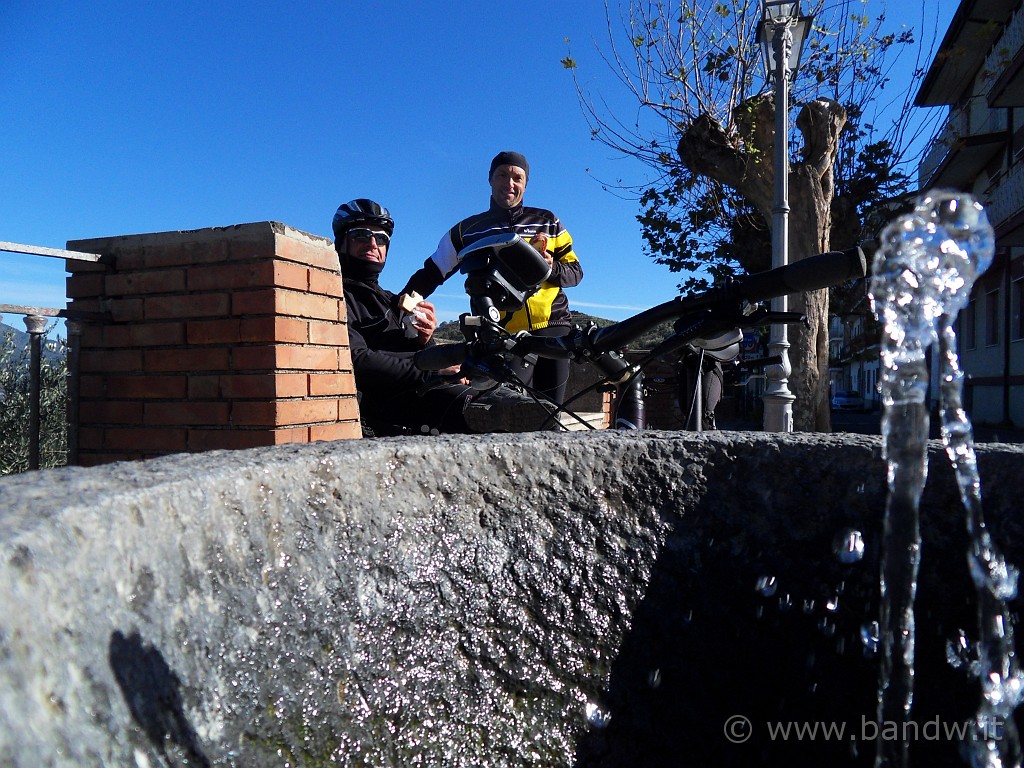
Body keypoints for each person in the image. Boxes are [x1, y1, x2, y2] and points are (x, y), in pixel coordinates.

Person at [333, 198, 556, 436]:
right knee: (497, 414)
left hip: (426, 388)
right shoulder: (336, 296)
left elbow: (411, 350)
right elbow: (356, 361)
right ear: (341, 242)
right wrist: (433, 371)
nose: (372, 244)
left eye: (381, 239)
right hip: (390, 404)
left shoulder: (392, 299)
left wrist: (424, 339)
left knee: (525, 407)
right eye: (361, 235)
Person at [401, 151, 583, 405]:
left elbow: (576, 273)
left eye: (517, 178)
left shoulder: (547, 222)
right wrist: (399, 303)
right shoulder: (468, 230)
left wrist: (550, 269)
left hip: (554, 328)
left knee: (552, 411)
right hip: (504, 335)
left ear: (525, 184)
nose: (510, 183)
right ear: (490, 180)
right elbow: (432, 272)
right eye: (502, 175)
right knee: (511, 412)